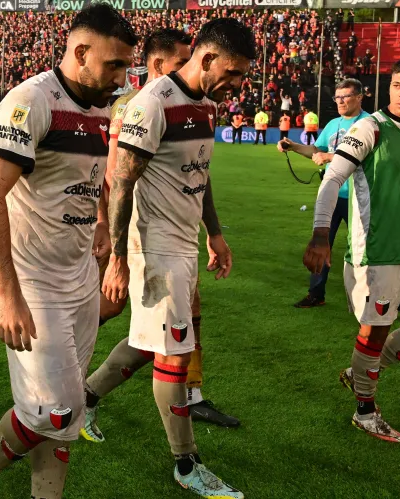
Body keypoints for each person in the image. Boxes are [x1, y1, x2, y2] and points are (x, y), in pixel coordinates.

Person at [0, 5, 135, 498]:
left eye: (126, 66)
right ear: (81, 52)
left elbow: (91, 179)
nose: (121, 78)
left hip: (80, 276)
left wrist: (101, 223)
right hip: (33, 281)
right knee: (54, 409)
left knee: (64, 412)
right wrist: (7, 297)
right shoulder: (30, 100)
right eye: (114, 65)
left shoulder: (99, 107)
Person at [98, 18, 254, 498]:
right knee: (174, 353)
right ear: (206, 59)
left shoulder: (206, 105)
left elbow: (199, 174)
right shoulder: (152, 104)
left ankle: (85, 397)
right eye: (232, 73)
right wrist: (118, 258)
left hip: (184, 243)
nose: (237, 85)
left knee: (152, 343)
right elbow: (122, 182)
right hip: (154, 246)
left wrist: (215, 234)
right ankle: (187, 464)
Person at [303, 55, 400, 443]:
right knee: (374, 334)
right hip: (376, 254)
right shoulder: (370, 128)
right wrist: (320, 234)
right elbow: (332, 178)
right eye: (397, 85)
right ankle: (365, 412)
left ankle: (359, 373)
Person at [279, 79, 370, 309]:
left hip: (359, 198)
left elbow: (367, 157)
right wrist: (293, 146)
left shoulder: (369, 124)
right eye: (337, 97)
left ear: (359, 97)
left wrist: (330, 157)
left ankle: (378, 294)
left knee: (365, 248)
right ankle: (316, 293)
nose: (340, 101)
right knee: (320, 244)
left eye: (345, 96)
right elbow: (316, 150)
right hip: (332, 195)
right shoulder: (333, 124)